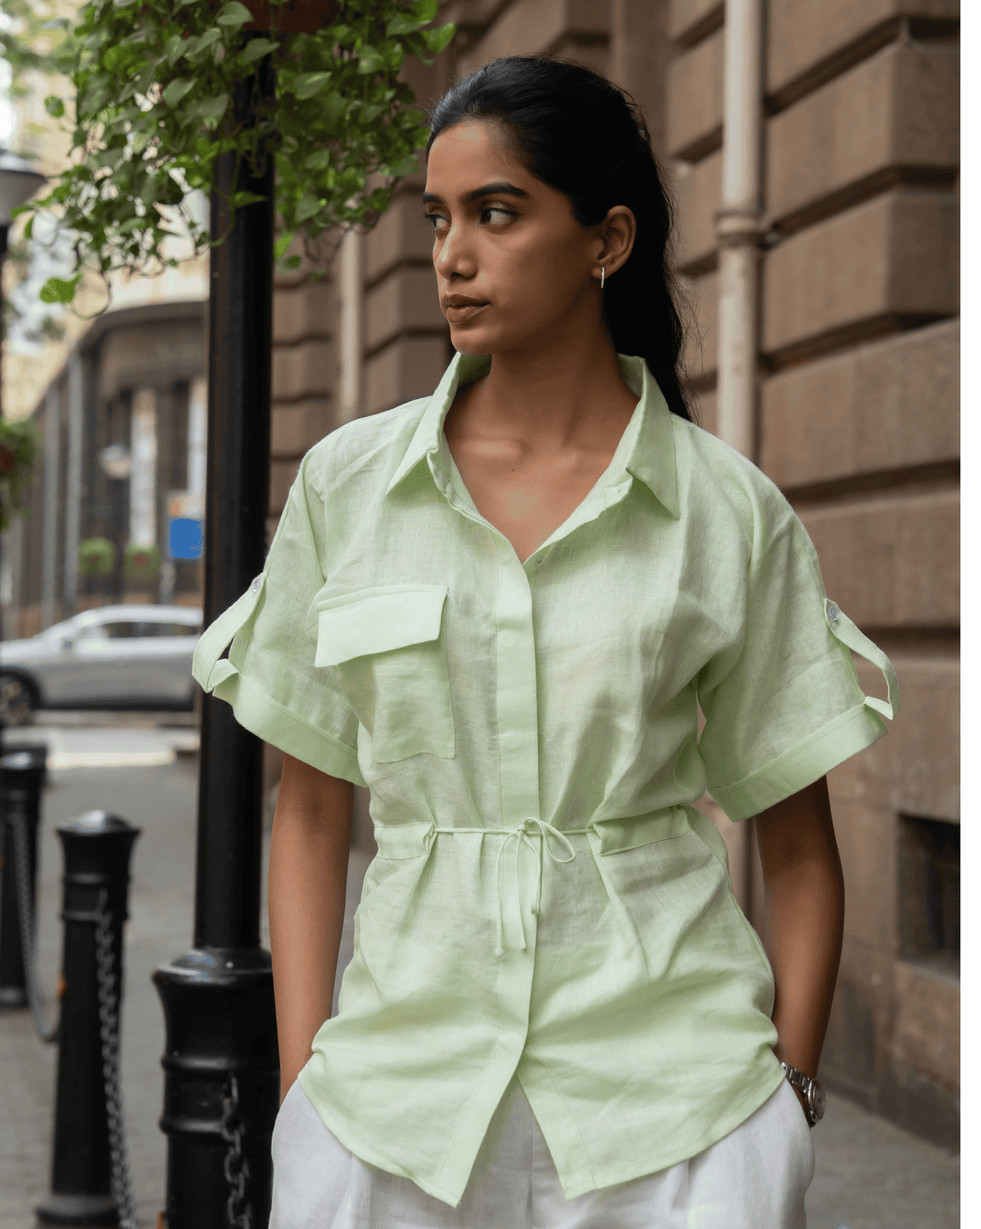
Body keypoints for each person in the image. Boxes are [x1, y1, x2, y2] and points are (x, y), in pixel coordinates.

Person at [192, 55, 899, 1229]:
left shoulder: (726, 512)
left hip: (676, 1113)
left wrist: (789, 1097)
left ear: (605, 241)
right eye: (438, 217)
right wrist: (305, 1085)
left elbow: (797, 837)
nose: (452, 255)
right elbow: (311, 814)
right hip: (392, 1115)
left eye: (497, 212)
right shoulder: (348, 488)